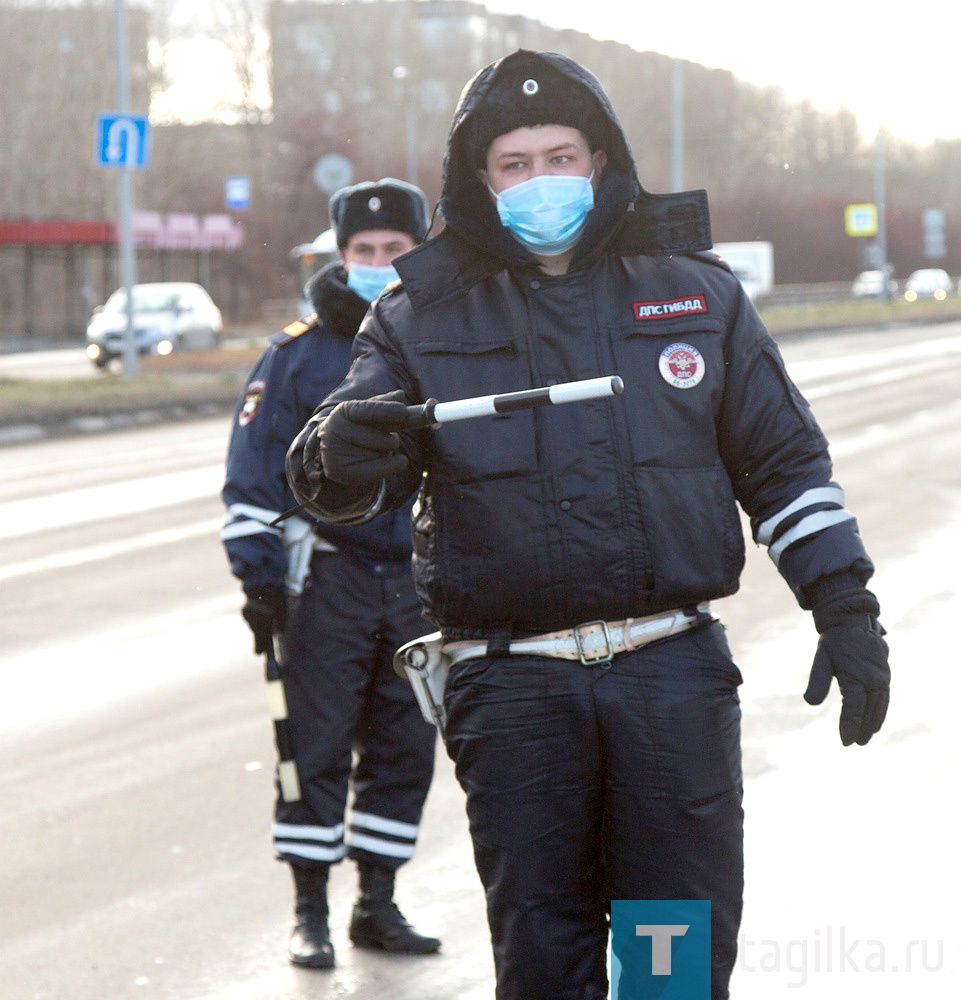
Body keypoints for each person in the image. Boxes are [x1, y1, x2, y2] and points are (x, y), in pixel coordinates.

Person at [284, 51, 891, 1000]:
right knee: (543, 964)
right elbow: (349, 477)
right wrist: (335, 453)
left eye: (558, 154)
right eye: (514, 163)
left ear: (600, 161)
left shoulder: (695, 294)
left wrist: (844, 606)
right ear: (479, 181)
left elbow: (782, 468)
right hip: (511, 694)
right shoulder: (416, 318)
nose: (539, 180)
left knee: (670, 962)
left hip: (669, 682)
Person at [221, 178, 441, 969]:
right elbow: (251, 478)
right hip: (328, 582)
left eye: (395, 250)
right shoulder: (297, 355)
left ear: (421, 249)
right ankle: (309, 911)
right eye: (364, 253)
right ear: (340, 257)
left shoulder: (450, 341)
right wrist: (259, 580)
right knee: (309, 748)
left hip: (422, 584)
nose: (379, 263)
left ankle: (376, 905)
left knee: (405, 745)